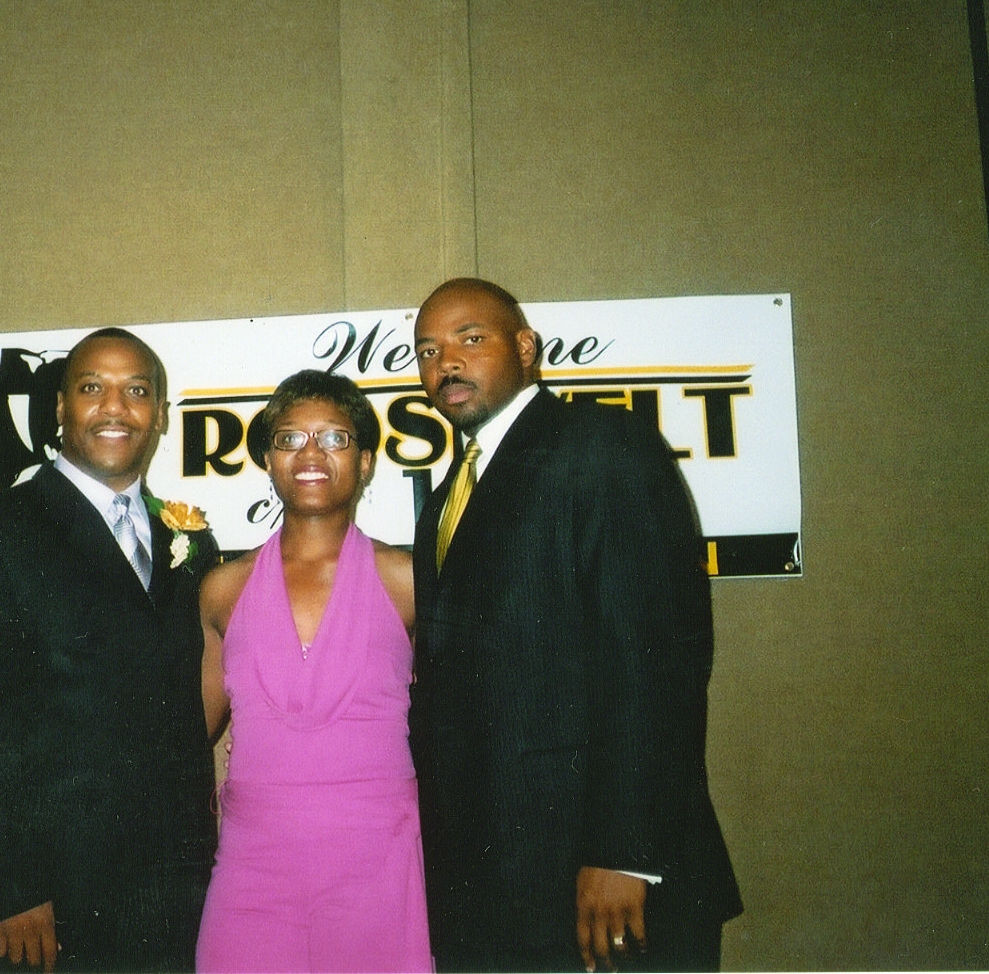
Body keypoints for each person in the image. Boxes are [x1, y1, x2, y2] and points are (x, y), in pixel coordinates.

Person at [408, 278, 743, 973]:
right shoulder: (446, 498)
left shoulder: (600, 445)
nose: (446, 363)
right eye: (428, 350)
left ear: (526, 347)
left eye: (471, 338)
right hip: (496, 885)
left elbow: (655, 658)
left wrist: (625, 853)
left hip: (603, 877)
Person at [0, 328, 222, 973]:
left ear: (160, 414)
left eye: (136, 391)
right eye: (92, 388)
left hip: (173, 892)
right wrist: (9, 888)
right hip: (50, 905)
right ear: (60, 407)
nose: (116, 408)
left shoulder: (191, 542)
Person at [195, 369, 432, 973]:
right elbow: (185, 733)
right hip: (253, 864)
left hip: (378, 861)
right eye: (289, 439)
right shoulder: (223, 589)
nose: (311, 454)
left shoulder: (409, 581)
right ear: (268, 461)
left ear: (366, 461)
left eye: (334, 438)